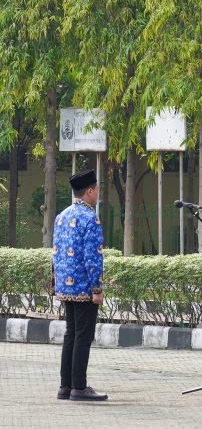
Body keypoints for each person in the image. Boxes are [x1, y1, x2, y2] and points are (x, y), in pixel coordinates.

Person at [53, 169, 108, 401]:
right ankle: (79, 387)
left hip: (66, 287)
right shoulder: (90, 218)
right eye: (96, 190)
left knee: (71, 334)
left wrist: (56, 283)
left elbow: (55, 253)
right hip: (85, 287)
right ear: (89, 191)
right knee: (83, 337)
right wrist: (97, 289)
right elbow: (92, 257)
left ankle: (65, 387)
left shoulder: (61, 216)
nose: (97, 194)